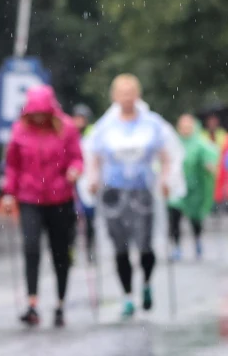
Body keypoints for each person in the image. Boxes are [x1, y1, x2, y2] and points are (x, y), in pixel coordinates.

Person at [83, 74, 173, 318]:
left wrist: (166, 179)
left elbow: (166, 155)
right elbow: (94, 157)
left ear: (138, 95)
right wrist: (92, 180)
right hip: (112, 191)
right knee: (120, 245)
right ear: (114, 97)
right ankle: (127, 296)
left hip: (142, 190)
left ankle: (145, 283)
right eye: (122, 93)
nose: (126, 97)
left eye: (130, 92)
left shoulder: (152, 124)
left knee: (144, 243)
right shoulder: (104, 127)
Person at [0, 85, 83, 327]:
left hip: (60, 198)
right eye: (34, 113)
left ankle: (60, 303)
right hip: (30, 198)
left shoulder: (66, 128)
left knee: (61, 251)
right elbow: (13, 165)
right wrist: (8, 193)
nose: (38, 118)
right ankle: (32, 303)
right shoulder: (19, 130)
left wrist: (75, 170)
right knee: (31, 247)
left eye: (42, 113)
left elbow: (77, 156)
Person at [168, 113, 218, 260]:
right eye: (183, 126)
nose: (185, 129)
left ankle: (197, 240)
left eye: (188, 126)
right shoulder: (174, 143)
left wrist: (209, 165)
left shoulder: (199, 143)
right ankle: (176, 245)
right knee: (174, 217)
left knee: (195, 218)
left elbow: (209, 155)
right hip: (176, 187)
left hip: (194, 187)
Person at [70, 103, 98, 261]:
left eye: (82, 119)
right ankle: (70, 250)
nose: (79, 122)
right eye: (76, 118)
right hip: (73, 181)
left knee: (89, 219)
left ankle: (90, 249)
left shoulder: (93, 135)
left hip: (88, 181)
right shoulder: (69, 133)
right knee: (72, 219)